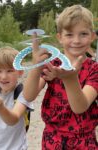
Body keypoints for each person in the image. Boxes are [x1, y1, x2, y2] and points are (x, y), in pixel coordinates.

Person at [23, 5, 98, 149]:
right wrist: (37, 65)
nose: (76, 40)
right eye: (69, 34)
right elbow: (28, 95)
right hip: (52, 139)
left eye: (83, 34)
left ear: (92, 37)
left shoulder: (94, 69)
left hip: (83, 142)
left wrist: (70, 79)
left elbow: (80, 107)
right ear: (60, 38)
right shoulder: (52, 64)